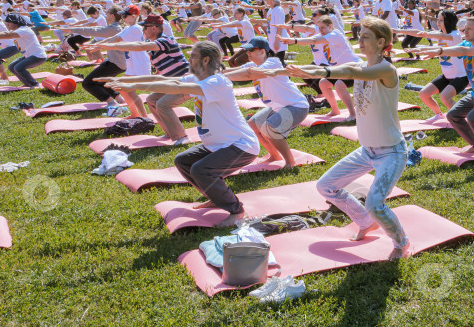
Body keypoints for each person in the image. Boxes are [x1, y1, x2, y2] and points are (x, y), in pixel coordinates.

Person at [270, 17, 410, 260]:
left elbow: (353, 71)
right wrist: (311, 70)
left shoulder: (387, 70)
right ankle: (365, 221)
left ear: (381, 42)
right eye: (360, 34)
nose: (360, 39)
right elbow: (351, 68)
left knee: (376, 203)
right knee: (326, 186)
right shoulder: (360, 64)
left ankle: (401, 242)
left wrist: (324, 70)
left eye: (366, 36)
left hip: (392, 152)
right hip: (367, 150)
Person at [104, 41, 260, 228]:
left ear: (205, 60)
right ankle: (215, 197)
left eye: (193, 56)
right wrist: (126, 81)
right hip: (218, 144)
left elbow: (177, 88)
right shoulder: (200, 79)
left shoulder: (218, 82)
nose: (189, 58)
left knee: (201, 170)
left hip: (241, 146)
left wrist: (135, 83)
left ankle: (236, 210)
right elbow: (167, 81)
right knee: (183, 160)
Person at [422, 17, 474, 153]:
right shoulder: (467, 44)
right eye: (464, 29)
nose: (465, 31)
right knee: (453, 115)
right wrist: (436, 50)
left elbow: (462, 51)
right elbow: (457, 49)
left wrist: (439, 51)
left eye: (469, 29)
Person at [224, 36, 309, 168]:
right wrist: (214, 72)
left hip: (296, 106)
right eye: (247, 50)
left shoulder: (273, 62)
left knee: (270, 127)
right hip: (278, 107)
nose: (247, 53)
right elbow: (235, 70)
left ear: (263, 51)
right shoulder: (254, 65)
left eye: (251, 50)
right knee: (252, 125)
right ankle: (274, 155)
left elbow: (248, 74)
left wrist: (222, 75)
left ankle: (290, 162)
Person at [89, 14, 190, 125]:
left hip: (186, 81)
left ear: (154, 28)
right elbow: (160, 70)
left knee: (161, 104)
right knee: (151, 100)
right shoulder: (153, 47)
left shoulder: (166, 40)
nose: (143, 30)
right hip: (173, 82)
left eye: (145, 27)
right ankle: (161, 127)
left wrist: (108, 46)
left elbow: (140, 46)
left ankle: (178, 135)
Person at [279, 15, 359, 120]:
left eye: (322, 28)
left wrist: (293, 41)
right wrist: (289, 27)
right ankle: (335, 110)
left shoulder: (334, 34)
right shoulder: (325, 34)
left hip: (354, 69)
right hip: (341, 70)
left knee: (339, 85)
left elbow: (313, 40)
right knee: (323, 83)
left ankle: (352, 114)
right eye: (319, 28)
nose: (320, 30)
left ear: (330, 26)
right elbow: (307, 30)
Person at [397, 11, 467, 120]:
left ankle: (461, 118)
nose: (438, 23)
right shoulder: (440, 35)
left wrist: (423, 45)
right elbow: (420, 33)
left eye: (440, 20)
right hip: (447, 76)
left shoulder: (455, 35)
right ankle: (439, 115)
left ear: (448, 21)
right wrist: (398, 30)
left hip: (461, 77)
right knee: (424, 94)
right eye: (437, 20)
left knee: (445, 97)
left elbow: (426, 34)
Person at [68, 7, 128, 115]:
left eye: (107, 13)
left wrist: (74, 29)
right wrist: (96, 46)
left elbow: (96, 31)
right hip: (118, 62)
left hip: (116, 63)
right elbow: (104, 37)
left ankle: (112, 104)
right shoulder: (116, 27)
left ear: (113, 16)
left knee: (88, 83)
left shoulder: (115, 28)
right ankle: (120, 100)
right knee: (102, 81)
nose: (105, 15)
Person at [0, 13, 47, 88]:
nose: (7, 25)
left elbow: (8, 35)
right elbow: (5, 33)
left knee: (18, 68)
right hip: (31, 56)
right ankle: (27, 83)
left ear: (15, 22)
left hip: (38, 56)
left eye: (8, 23)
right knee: (12, 67)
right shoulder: (19, 30)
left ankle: (34, 84)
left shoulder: (23, 30)